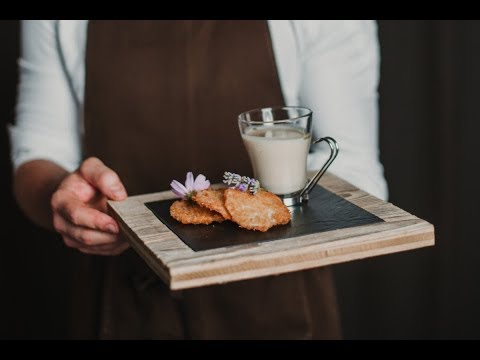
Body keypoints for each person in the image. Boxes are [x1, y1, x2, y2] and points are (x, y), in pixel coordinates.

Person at [9, 20, 388, 339]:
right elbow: (38, 151)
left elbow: (355, 168)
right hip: (120, 307)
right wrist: (57, 196)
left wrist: (269, 203)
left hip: (279, 309)